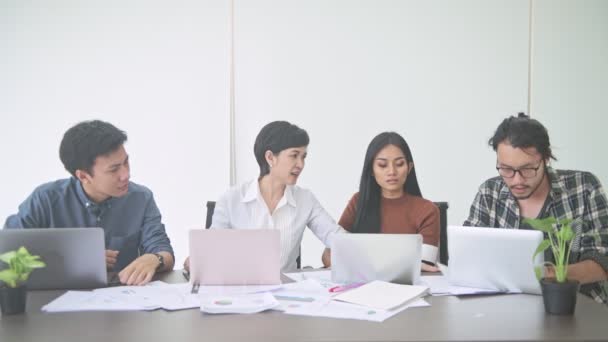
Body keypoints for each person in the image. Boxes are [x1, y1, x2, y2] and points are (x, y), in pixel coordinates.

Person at [4, 120, 174, 285]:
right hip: (56, 301)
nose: (126, 174)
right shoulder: (46, 199)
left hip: (123, 300)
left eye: (126, 162)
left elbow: (163, 250)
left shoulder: (141, 198)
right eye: (114, 169)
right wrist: (73, 260)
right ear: (83, 176)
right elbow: (7, 254)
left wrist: (155, 258)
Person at [464, 113, 608, 304]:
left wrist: (546, 275)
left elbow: (602, 261)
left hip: (576, 308)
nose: (517, 180)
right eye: (506, 169)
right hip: (506, 309)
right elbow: (469, 252)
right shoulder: (489, 193)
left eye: (527, 169)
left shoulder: (584, 187)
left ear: (546, 159)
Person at [185, 120, 345, 272]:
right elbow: (211, 251)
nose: (301, 164)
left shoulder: (305, 199)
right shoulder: (231, 199)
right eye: (294, 155)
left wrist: (360, 250)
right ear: (270, 157)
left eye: (303, 157)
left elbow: (336, 238)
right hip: (240, 292)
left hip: (287, 295)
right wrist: (197, 259)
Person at [321, 132, 440, 272]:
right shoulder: (358, 202)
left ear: (409, 168)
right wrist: (401, 262)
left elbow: (425, 264)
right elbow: (329, 255)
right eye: (383, 165)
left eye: (399, 164)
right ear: (371, 169)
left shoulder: (427, 210)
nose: (391, 171)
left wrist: (361, 262)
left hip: (407, 288)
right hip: (361, 288)